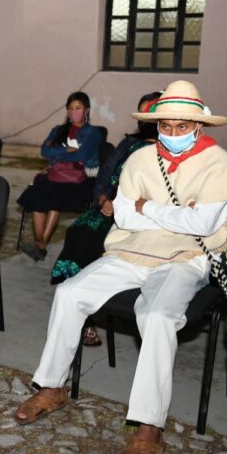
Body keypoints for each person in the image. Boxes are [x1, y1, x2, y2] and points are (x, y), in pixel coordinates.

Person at [15, 80, 227, 454]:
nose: (173, 134)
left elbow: (204, 226)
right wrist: (171, 213)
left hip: (186, 257)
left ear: (199, 127)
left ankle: (149, 425)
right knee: (69, 292)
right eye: (166, 126)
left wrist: (149, 209)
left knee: (158, 316)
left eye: (182, 126)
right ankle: (52, 387)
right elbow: (124, 217)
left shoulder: (218, 164)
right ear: (156, 125)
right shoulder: (142, 158)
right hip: (131, 250)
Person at [49, 92, 161, 346]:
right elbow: (104, 175)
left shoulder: (166, 151)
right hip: (109, 208)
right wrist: (102, 199)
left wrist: (128, 208)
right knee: (80, 230)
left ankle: (94, 306)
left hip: (141, 217)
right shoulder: (128, 143)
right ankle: (82, 311)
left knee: (101, 241)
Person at [17, 91, 102, 262]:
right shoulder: (59, 130)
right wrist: (65, 150)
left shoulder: (93, 133)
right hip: (57, 175)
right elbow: (44, 151)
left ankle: (40, 244)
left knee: (53, 195)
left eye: (78, 108)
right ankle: (40, 243)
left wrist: (59, 153)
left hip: (80, 179)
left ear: (87, 110)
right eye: (70, 108)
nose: (73, 112)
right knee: (37, 193)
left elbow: (82, 156)